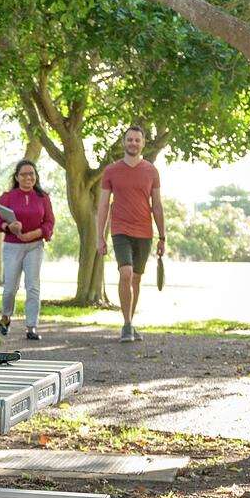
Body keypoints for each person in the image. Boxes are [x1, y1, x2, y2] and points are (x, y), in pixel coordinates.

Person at [92, 124, 166, 343]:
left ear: (143, 143)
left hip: (145, 232)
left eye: (137, 140)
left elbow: (158, 205)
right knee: (125, 273)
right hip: (120, 230)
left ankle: (130, 323)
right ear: (124, 143)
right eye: (129, 139)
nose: (133, 143)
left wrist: (162, 236)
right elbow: (104, 205)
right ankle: (126, 325)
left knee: (136, 278)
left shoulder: (151, 171)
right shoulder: (111, 171)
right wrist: (100, 236)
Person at [0, 158, 54, 341]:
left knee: (33, 286)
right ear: (17, 177)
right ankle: (5, 317)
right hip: (12, 246)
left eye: (31, 174)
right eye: (24, 174)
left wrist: (37, 232)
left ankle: (31, 326)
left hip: (34, 246)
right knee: (10, 287)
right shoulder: (7, 197)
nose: (28, 177)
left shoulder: (43, 198)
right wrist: (8, 226)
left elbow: (50, 222)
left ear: (36, 176)